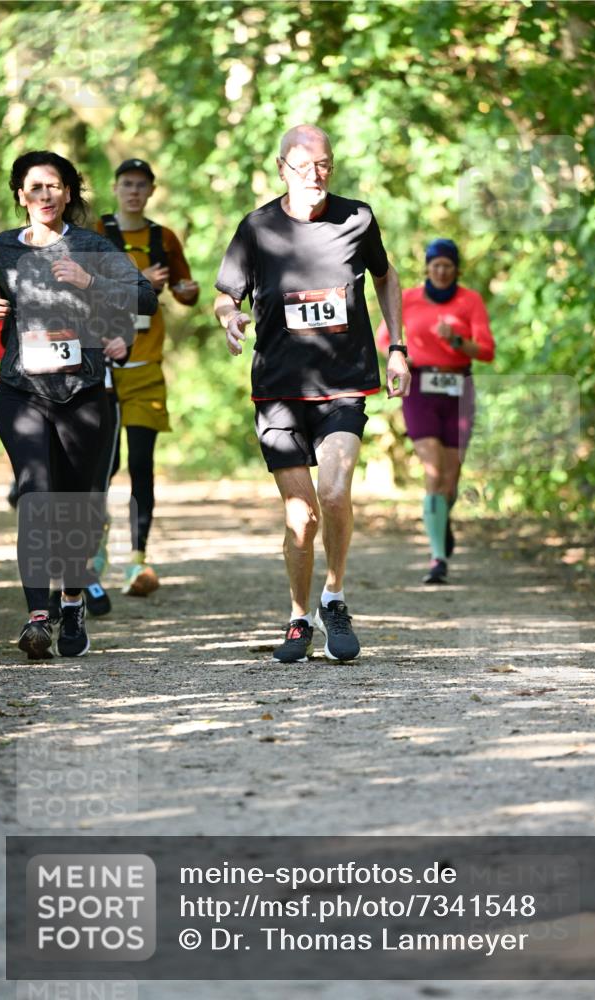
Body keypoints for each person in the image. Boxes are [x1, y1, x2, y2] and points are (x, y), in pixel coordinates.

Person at [214, 124, 410, 664]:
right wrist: (231, 319)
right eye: (302, 166)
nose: (315, 175)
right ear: (281, 168)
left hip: (343, 384)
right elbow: (225, 295)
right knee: (300, 516)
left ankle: (335, 597)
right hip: (277, 390)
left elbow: (387, 277)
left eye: (323, 164)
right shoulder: (257, 227)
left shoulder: (357, 218)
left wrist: (399, 348)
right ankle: (299, 615)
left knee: (335, 493)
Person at [0, 150, 158, 659]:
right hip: (21, 388)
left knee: (77, 503)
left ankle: (72, 599)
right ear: (20, 194)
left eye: (54, 186)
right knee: (37, 494)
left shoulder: (90, 245)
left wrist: (89, 281)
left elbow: (145, 297)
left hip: (82, 392)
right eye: (34, 187)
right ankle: (39, 615)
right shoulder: (4, 247)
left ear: (68, 193)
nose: (44, 195)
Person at [94, 158, 200, 597]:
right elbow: (79, 288)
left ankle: (137, 560)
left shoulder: (164, 238)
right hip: (98, 370)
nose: (133, 192)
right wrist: (135, 281)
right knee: (103, 466)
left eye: (141, 185)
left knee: (140, 465)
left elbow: (185, 289)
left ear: (152, 190)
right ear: (115, 188)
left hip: (146, 369)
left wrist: (185, 292)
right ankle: (94, 553)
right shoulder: (95, 234)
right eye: (126, 184)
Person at [377, 238, 495, 583]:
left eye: (447, 266)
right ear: (427, 268)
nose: (441, 271)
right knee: (432, 470)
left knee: (451, 477)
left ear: (456, 269)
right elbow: (384, 338)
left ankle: (441, 522)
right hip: (420, 389)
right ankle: (437, 558)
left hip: (458, 388)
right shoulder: (409, 298)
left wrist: (457, 341)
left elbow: (487, 351)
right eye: (435, 265)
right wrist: (403, 356)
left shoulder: (469, 301)